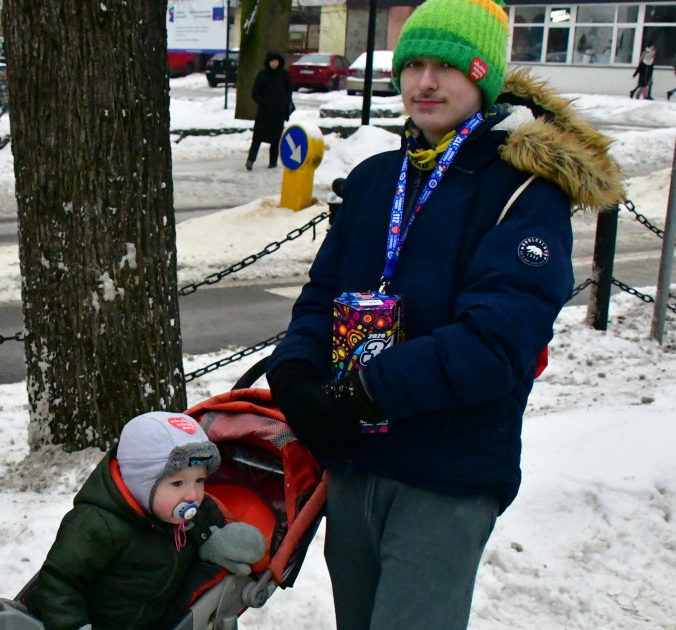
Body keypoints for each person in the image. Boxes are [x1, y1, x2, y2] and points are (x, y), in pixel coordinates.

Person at [262, 0, 624, 627]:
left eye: (448, 68)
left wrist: (365, 394)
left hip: (446, 474)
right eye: (415, 65)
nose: (426, 83)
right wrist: (294, 374)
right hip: (355, 463)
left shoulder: (523, 189)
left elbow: (496, 343)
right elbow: (322, 298)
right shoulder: (377, 178)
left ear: (483, 78)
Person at [25, 411, 267, 630]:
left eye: (200, 481)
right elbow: (59, 582)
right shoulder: (96, 524)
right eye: (177, 483)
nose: (193, 495)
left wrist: (215, 543)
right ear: (142, 484)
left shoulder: (196, 512)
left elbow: (209, 531)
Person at [245, 51, 294, 171]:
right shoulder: (263, 74)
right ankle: (251, 160)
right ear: (268, 62)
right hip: (264, 113)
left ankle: (273, 161)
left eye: (276, 61)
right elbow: (255, 92)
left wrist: (284, 102)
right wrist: (263, 102)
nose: (274, 63)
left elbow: (289, 91)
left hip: (278, 113)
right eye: (272, 61)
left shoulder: (284, 75)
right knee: (257, 137)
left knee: (275, 139)